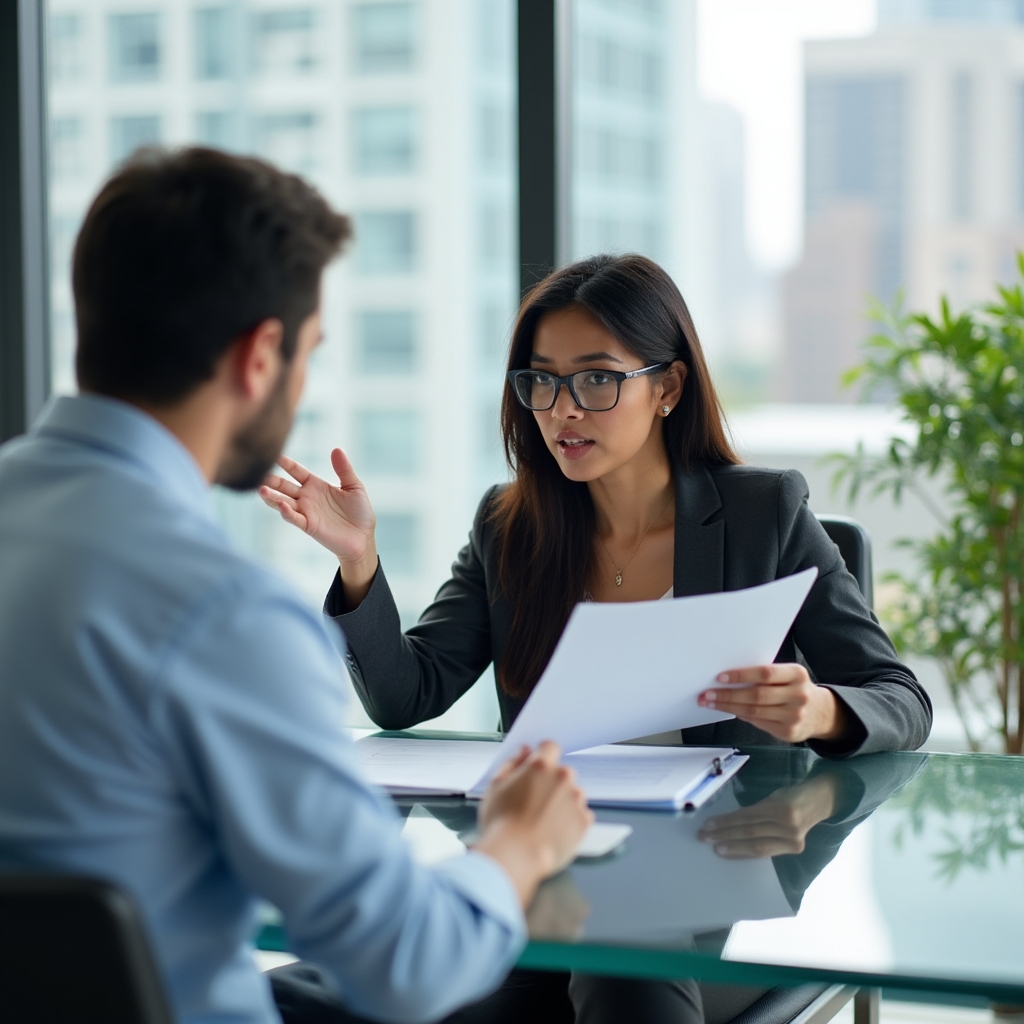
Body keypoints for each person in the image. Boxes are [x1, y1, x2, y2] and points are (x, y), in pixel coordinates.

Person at [0, 147, 594, 1024]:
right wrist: (515, 843)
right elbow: (411, 966)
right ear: (260, 355)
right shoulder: (223, 614)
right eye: (309, 353)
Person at [260, 252, 934, 1023]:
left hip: (709, 883)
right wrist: (360, 564)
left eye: (597, 378)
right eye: (540, 381)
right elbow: (405, 695)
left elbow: (901, 700)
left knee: (619, 982)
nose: (563, 409)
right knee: (309, 994)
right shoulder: (508, 525)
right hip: (549, 869)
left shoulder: (763, 515)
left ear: (668, 388)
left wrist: (821, 711)